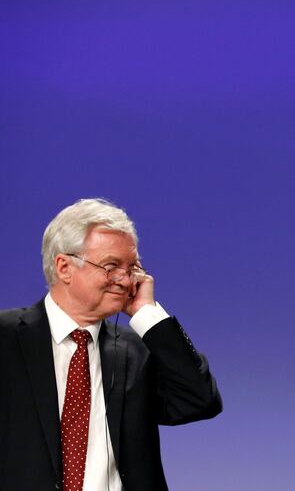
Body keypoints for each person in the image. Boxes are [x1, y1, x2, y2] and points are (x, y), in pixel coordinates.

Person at [0, 199, 222, 491]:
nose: (124, 279)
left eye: (132, 267)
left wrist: (148, 315)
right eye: (111, 266)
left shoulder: (138, 350)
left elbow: (200, 400)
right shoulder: (5, 338)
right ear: (64, 267)